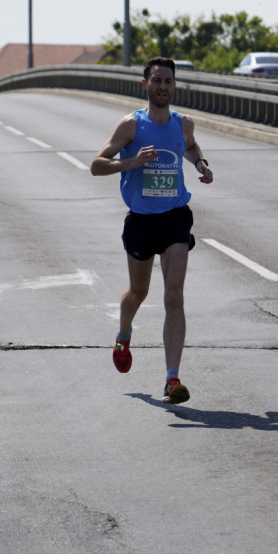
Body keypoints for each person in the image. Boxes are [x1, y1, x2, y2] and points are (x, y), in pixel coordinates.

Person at [91, 56, 214, 404]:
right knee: (138, 293)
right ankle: (124, 333)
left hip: (175, 216)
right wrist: (132, 162)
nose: (163, 87)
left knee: (174, 295)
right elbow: (96, 165)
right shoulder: (131, 125)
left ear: (175, 85)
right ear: (145, 85)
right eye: (157, 81)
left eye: (168, 81)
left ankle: (171, 379)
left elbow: (189, 147)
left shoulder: (183, 124)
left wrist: (202, 164)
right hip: (141, 220)